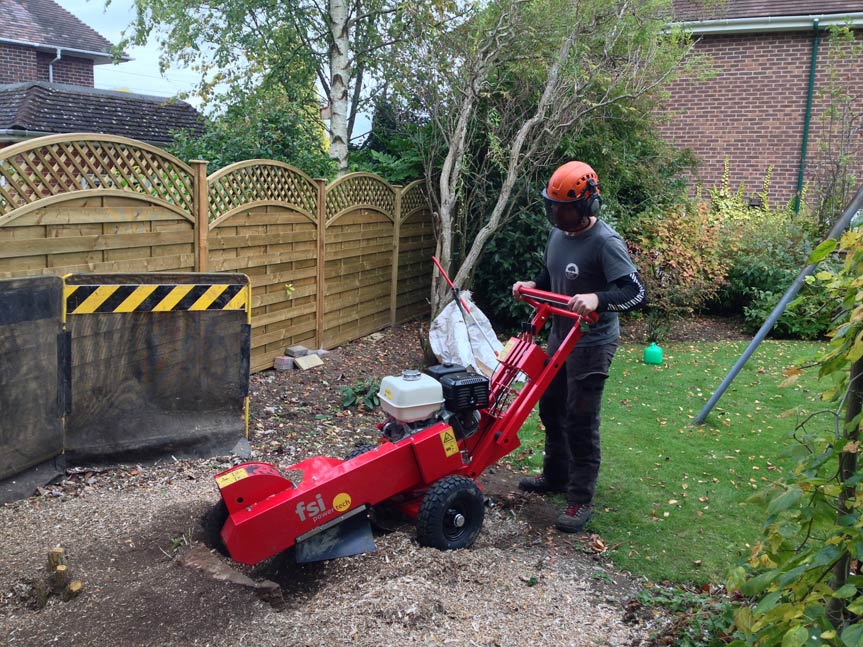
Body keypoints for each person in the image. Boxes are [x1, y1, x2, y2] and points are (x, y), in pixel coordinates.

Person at [511, 161, 645, 533]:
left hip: (592, 343)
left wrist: (598, 298)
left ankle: (580, 499)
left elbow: (635, 292)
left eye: (563, 208)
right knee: (551, 408)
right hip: (560, 337)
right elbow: (550, 273)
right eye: (552, 206)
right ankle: (555, 475)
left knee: (580, 419)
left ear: (587, 205)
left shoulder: (606, 242)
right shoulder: (558, 234)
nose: (555, 214)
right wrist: (531, 285)